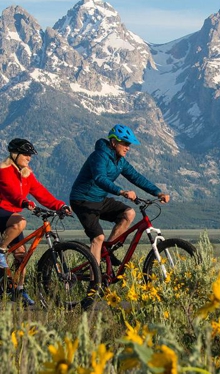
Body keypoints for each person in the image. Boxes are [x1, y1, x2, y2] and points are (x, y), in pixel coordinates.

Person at [70, 124, 170, 266]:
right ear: (113, 142)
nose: (128, 147)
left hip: (99, 199)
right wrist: (121, 191)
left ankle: (107, 252)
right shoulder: (99, 156)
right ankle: (95, 284)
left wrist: (158, 192)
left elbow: (136, 177)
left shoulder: (120, 161)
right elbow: (100, 178)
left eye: (129, 144)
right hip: (83, 200)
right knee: (98, 238)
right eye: (125, 143)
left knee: (129, 213)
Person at [0, 138, 71, 306]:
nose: (29, 158)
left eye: (30, 155)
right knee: (20, 222)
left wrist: (60, 205)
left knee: (21, 256)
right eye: (25, 154)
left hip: (12, 213)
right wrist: (24, 202)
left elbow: (41, 193)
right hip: (2, 211)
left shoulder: (26, 174)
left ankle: (19, 291)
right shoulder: (4, 171)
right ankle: (1, 251)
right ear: (15, 154)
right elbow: (10, 193)